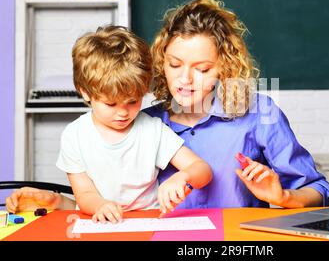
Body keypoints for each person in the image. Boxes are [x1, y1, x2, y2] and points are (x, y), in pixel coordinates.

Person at [7, 0, 329, 212]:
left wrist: (283, 197)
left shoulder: (259, 114)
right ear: (161, 60)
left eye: (202, 69)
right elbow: (115, 205)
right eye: (175, 64)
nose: (185, 80)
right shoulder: (139, 121)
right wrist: (57, 202)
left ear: (225, 66)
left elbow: (318, 189)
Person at [6, 26, 212, 223]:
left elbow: (202, 169)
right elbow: (85, 194)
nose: (123, 112)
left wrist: (183, 176)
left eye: (132, 101)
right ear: (85, 92)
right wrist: (101, 205)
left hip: (149, 222)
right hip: (100, 222)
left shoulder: (152, 130)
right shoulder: (75, 135)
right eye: (110, 103)